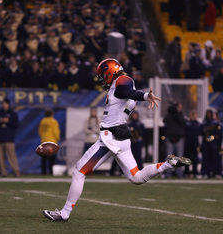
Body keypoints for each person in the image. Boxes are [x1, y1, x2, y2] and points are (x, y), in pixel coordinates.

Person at [42, 58, 191, 221]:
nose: (102, 79)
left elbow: (126, 92)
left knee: (79, 171)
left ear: (110, 71)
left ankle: (64, 213)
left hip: (109, 138)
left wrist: (146, 95)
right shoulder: (122, 82)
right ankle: (168, 164)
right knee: (136, 177)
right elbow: (127, 93)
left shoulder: (123, 80)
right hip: (121, 137)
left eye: (102, 75)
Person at [0, 98, 20, 177]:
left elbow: (16, 125)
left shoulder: (12, 114)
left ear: (8, 104)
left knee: (11, 156)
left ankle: (16, 172)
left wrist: (8, 121)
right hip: (0, 137)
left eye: (5, 104)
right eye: (3, 104)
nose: (3, 105)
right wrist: (0, 121)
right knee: (1, 157)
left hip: (9, 138)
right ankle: (3, 172)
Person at [163, 102, 186, 178]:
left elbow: (182, 121)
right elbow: (165, 120)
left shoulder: (181, 114)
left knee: (180, 157)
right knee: (169, 157)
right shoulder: (171, 114)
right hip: (169, 137)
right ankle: (168, 174)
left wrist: (177, 113)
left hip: (179, 138)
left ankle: (179, 174)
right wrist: (171, 112)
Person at [199, 109, 221, 178]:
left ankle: (215, 172)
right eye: (207, 113)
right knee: (205, 158)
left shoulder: (215, 123)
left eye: (209, 113)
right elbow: (200, 132)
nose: (208, 115)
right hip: (205, 142)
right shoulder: (204, 123)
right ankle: (205, 172)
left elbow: (219, 134)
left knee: (214, 158)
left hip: (213, 143)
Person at [38, 108, 60, 175]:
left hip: (44, 141)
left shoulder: (42, 121)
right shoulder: (53, 121)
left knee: (44, 159)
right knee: (51, 159)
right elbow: (56, 132)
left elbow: (40, 132)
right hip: (52, 142)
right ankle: (51, 172)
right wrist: (57, 139)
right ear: (52, 114)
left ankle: (43, 172)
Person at [184, 110, 200, 178]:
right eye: (195, 115)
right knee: (187, 159)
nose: (196, 116)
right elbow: (186, 133)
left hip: (195, 143)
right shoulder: (188, 123)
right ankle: (187, 172)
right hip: (188, 143)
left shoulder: (197, 123)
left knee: (195, 159)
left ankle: (194, 172)